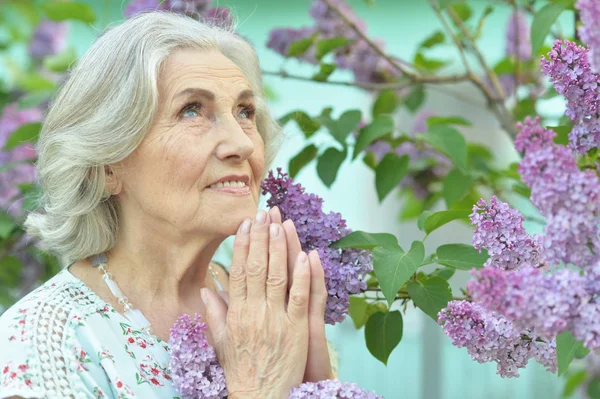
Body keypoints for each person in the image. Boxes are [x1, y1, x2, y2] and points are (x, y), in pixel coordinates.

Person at [0, 11, 337, 398]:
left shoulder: (271, 300)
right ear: (107, 165)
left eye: (245, 112)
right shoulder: (43, 341)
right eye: (192, 110)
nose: (243, 143)